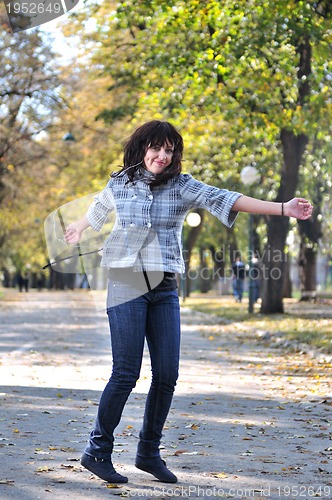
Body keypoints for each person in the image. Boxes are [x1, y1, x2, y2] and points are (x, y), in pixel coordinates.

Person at [64, 120, 313, 484]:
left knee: (167, 374)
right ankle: (96, 450)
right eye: (157, 148)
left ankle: (148, 452)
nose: (163, 156)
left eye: (170, 151)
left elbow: (226, 198)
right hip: (126, 282)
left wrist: (283, 208)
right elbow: (99, 209)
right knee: (125, 372)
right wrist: (80, 227)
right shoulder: (119, 183)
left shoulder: (182, 186)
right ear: (142, 147)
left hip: (163, 287)